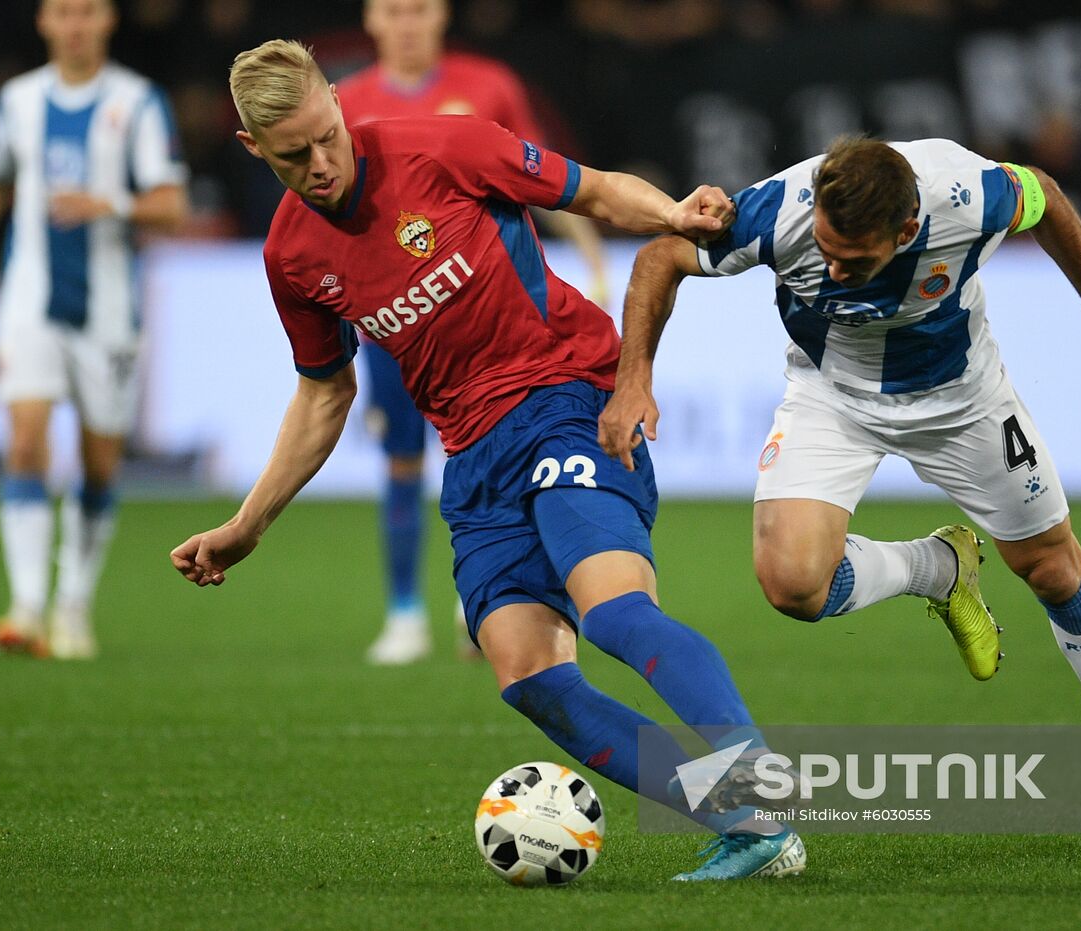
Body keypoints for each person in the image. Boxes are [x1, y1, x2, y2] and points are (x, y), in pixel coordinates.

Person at [171, 40, 805, 881]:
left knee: (614, 614)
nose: (322, 163)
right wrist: (248, 523)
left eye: (327, 134)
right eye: (294, 155)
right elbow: (324, 394)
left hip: (569, 396)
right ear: (254, 149)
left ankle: (759, 787)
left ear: (334, 97)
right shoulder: (292, 257)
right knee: (528, 674)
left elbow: (593, 189)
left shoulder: (444, 145)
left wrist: (674, 216)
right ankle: (741, 818)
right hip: (472, 457)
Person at [599, 134, 1081, 872]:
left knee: (1053, 570)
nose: (829, 268)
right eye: (823, 249)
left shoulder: (968, 195)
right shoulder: (784, 209)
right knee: (791, 583)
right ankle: (937, 568)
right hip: (833, 395)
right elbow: (661, 256)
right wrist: (635, 378)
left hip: (962, 398)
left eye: (852, 260)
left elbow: (1046, 195)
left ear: (908, 230)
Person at [335, 0, 610, 665]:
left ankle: (483, 599)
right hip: (398, 325)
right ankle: (403, 614)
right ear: (372, 20)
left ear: (440, 17)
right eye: (394, 11)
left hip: (490, 316)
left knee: (500, 451)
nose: (407, 22)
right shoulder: (344, 103)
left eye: (420, 9)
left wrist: (595, 260)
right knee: (402, 461)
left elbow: (542, 172)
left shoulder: (488, 87)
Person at [0, 0, 188, 659]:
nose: (74, 24)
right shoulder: (17, 101)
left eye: (87, 12)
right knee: (24, 443)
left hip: (107, 312)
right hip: (30, 302)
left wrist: (112, 203)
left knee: (99, 463)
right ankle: (26, 607)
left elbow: (172, 204)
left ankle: (74, 602)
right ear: (44, 22)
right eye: (63, 12)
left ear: (107, 21)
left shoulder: (136, 101)